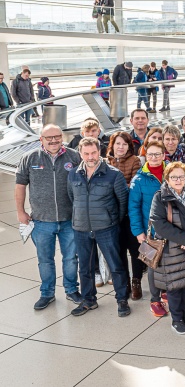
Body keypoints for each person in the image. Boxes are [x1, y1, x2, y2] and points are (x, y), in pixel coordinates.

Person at [15, 125, 82, 310]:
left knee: (71, 259)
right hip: (41, 221)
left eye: (57, 137)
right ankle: (47, 293)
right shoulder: (29, 158)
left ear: (62, 137)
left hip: (69, 220)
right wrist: (20, 212)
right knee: (45, 259)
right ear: (41, 139)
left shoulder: (73, 156)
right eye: (48, 137)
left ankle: (71, 290)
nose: (53, 140)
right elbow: (20, 185)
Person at [68, 137, 131, 317]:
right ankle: (89, 300)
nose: (90, 157)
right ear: (80, 153)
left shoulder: (113, 174)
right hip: (81, 229)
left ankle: (121, 299)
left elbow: (122, 202)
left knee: (115, 265)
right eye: (86, 153)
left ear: (100, 152)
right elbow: (72, 198)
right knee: (85, 267)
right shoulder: (73, 174)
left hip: (106, 228)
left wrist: (112, 221)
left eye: (93, 152)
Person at [150, 162, 185, 335]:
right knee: (174, 287)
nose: (178, 180)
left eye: (181, 176)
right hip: (171, 250)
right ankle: (177, 319)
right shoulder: (160, 197)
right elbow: (159, 224)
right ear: (167, 178)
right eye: (174, 177)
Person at [128, 140, 170, 316]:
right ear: (146, 156)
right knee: (153, 266)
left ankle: (168, 291)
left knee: (170, 263)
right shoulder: (139, 179)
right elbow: (133, 207)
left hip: (172, 229)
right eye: (150, 154)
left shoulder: (171, 172)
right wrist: (139, 233)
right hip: (150, 231)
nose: (154, 158)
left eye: (157, 154)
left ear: (163, 156)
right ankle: (155, 299)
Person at [106, 131, 145, 300]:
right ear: (112, 145)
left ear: (129, 146)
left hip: (130, 214)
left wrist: (113, 188)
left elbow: (133, 187)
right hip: (112, 215)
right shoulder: (106, 163)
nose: (121, 147)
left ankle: (136, 281)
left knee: (135, 250)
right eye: (118, 144)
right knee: (119, 251)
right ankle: (125, 282)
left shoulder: (135, 161)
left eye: (124, 144)